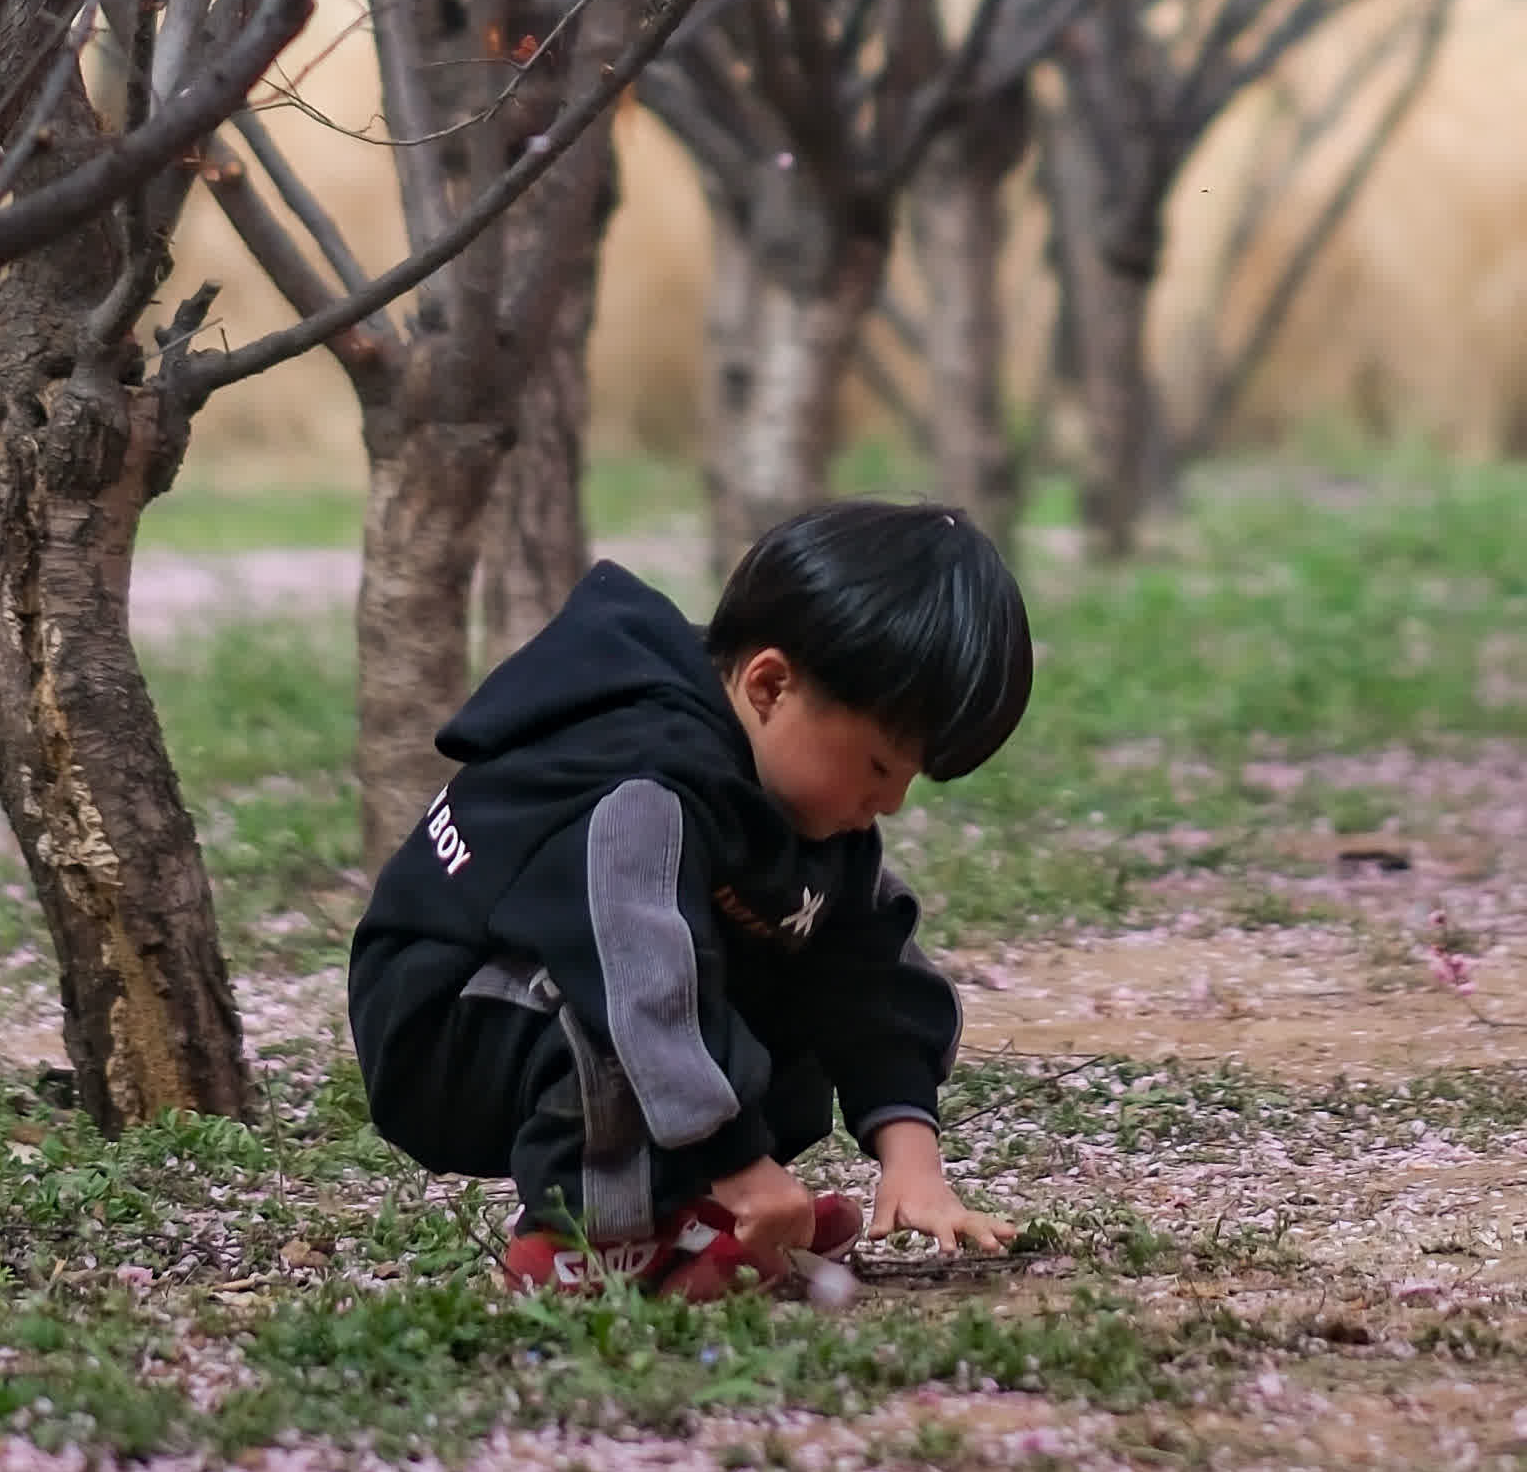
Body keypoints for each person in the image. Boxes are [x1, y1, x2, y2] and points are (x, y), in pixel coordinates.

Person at [349, 496, 1033, 1299]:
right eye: (881, 768)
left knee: (803, 982)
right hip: (452, 1023)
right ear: (770, 684)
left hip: (576, 995)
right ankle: (584, 1242)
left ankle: (678, 1219)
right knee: (631, 1006)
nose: (889, 805)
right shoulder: (644, 771)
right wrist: (740, 1163)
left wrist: (912, 1160)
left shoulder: (807, 810)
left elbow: (867, 973)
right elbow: (632, 977)